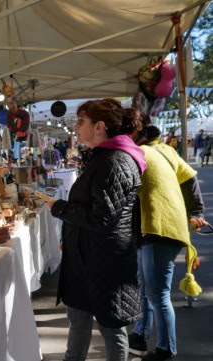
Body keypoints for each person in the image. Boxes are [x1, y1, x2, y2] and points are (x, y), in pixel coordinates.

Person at [47, 98, 146, 361]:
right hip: (88, 258)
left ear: (99, 126)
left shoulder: (115, 161)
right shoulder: (104, 158)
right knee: (79, 321)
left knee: (111, 328)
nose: (76, 128)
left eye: (81, 122)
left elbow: (102, 218)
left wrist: (58, 207)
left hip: (106, 262)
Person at [129, 125, 205, 361]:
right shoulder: (164, 151)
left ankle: (166, 349)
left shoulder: (142, 152)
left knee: (157, 294)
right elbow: (190, 177)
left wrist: (196, 211)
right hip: (155, 228)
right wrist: (195, 211)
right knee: (147, 290)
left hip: (159, 228)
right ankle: (140, 334)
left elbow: (190, 178)